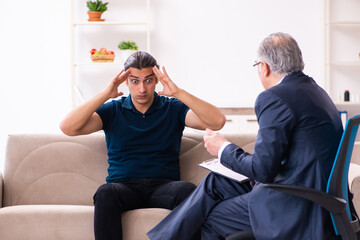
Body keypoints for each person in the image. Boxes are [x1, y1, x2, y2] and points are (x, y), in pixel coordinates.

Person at [147, 32, 344, 240]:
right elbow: (283, 157)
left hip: (294, 203)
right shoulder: (316, 91)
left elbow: (262, 170)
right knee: (216, 181)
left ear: (264, 67)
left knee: (211, 217)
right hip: (312, 193)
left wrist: (223, 148)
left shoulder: (274, 98)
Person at [59, 51, 226, 240]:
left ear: (156, 80)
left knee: (187, 190)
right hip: (123, 187)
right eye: (135, 81)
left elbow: (217, 121)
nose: (142, 89)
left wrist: (178, 92)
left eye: (148, 80)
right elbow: (68, 127)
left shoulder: (172, 108)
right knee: (105, 193)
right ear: (126, 82)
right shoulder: (113, 110)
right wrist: (105, 93)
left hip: (164, 187)